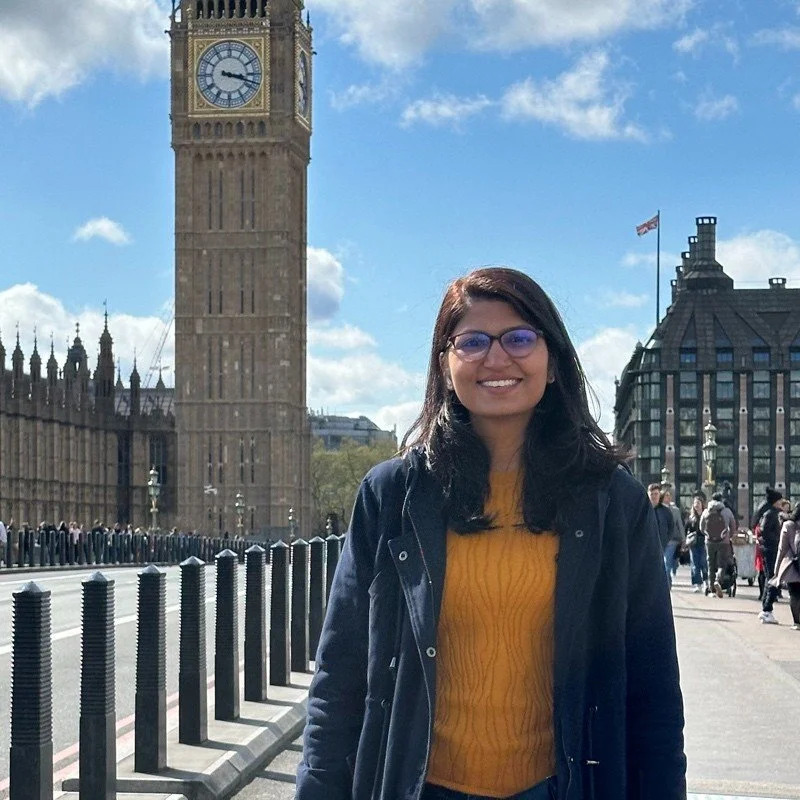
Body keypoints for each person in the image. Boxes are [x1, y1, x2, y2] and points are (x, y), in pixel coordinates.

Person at [296, 267, 686, 800]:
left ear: (552, 364)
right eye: (472, 341)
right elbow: (338, 679)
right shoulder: (392, 495)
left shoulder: (611, 502)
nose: (497, 358)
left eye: (520, 338)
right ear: (445, 365)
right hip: (420, 786)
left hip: (559, 786)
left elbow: (654, 694)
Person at [700, 492, 736, 598]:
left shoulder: (706, 511)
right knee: (722, 564)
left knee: (710, 564)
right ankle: (718, 581)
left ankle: (711, 589)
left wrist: (707, 535)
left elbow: (701, 527)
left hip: (709, 542)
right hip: (723, 542)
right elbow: (733, 526)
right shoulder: (727, 511)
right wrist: (729, 536)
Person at [758, 487, 785, 624]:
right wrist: (777, 540)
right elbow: (765, 531)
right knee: (773, 578)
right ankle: (767, 609)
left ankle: (766, 608)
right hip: (771, 550)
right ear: (775, 501)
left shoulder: (772, 513)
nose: (782, 502)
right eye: (780, 500)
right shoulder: (771, 514)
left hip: (769, 549)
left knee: (772, 578)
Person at [649, 484, 676, 586]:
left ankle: (666, 585)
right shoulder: (644, 509)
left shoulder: (665, 511)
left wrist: (667, 538)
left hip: (665, 544)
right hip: (649, 544)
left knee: (666, 565)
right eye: (652, 494)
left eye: (656, 494)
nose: (654, 496)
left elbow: (671, 526)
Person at [685, 493, 708, 593]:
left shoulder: (706, 515)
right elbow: (687, 529)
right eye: (695, 503)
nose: (696, 505)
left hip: (703, 542)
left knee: (704, 562)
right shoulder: (691, 517)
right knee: (695, 563)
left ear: (702, 504)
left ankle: (706, 582)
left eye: (698, 503)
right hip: (694, 543)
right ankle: (697, 584)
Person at [662, 489, 685, 578]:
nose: (668, 497)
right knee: (665, 561)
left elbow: (680, 525)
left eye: (669, 495)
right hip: (661, 539)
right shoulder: (657, 509)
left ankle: (668, 582)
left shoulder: (675, 510)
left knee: (667, 561)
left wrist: (683, 539)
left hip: (672, 540)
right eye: (666, 495)